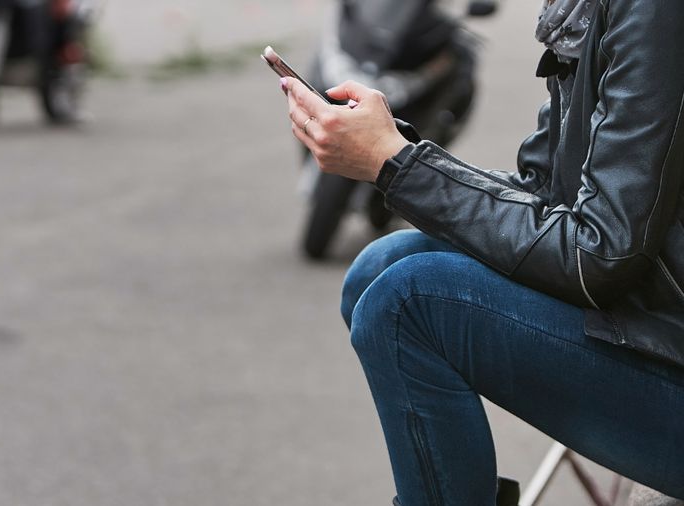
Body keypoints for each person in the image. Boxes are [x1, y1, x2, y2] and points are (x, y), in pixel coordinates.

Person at [278, 0, 684, 504]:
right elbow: (543, 192)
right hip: (650, 322)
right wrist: (393, 152)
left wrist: (397, 165)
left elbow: (600, 256)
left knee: (407, 303)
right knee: (380, 267)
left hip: (667, 353)